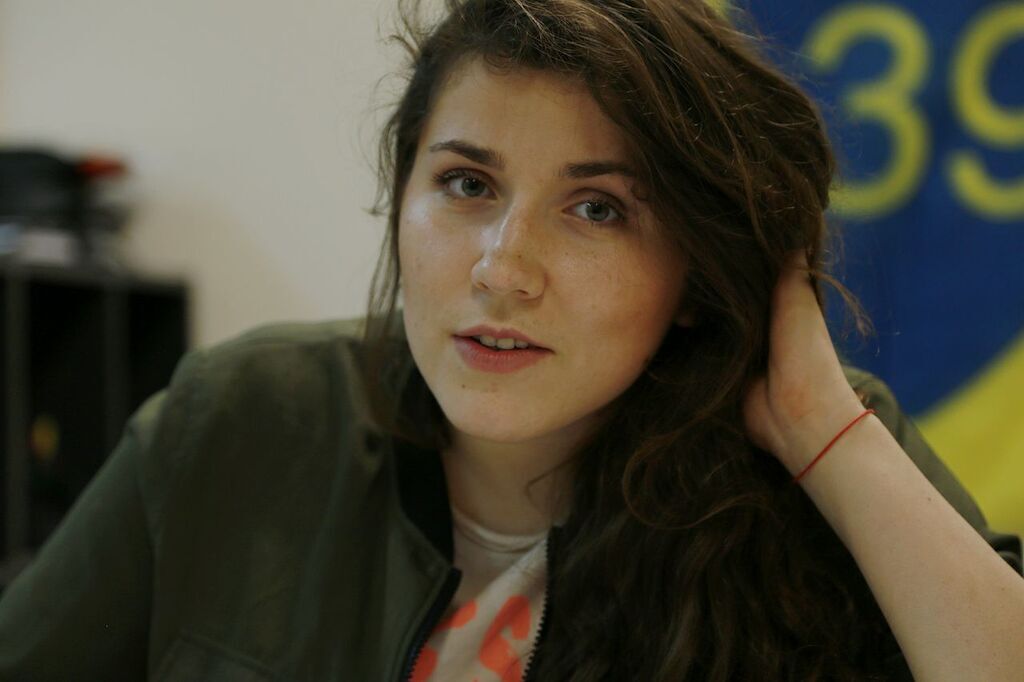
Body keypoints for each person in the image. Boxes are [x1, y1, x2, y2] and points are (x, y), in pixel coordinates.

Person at [1, 0, 1022, 679]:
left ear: (698, 272)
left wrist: (820, 431)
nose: (502, 266)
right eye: (466, 184)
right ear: (400, 197)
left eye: (597, 209)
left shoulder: (827, 453)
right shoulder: (240, 416)